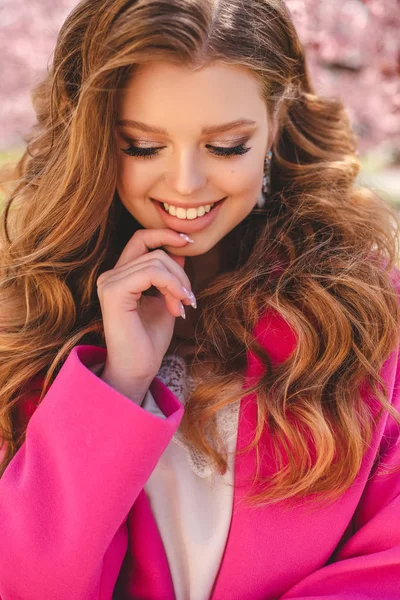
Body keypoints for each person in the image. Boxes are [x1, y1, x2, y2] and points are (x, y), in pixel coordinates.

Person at [0, 0, 400, 598]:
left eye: (227, 147)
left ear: (273, 128)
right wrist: (118, 382)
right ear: (93, 142)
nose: (186, 183)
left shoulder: (364, 312)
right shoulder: (28, 320)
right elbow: (29, 580)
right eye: (142, 146)